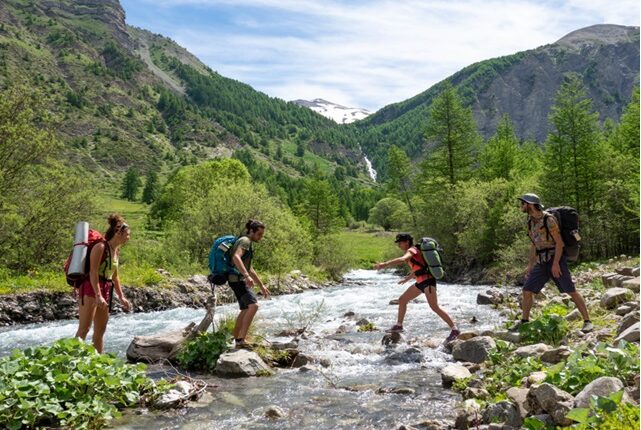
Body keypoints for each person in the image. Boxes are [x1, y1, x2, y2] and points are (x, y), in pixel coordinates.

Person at [509, 193, 593, 333]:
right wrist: (530, 265)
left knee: (571, 291)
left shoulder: (549, 220)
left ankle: (587, 321)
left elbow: (559, 243)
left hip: (556, 260)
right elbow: (534, 245)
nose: (521, 206)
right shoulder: (530, 223)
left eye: (522, 203)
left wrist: (555, 264)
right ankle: (524, 321)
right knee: (527, 290)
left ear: (529, 204)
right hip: (541, 263)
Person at [374, 233, 460, 342]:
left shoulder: (412, 250)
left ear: (406, 242)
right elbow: (419, 269)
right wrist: (407, 279)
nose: (399, 245)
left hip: (428, 281)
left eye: (400, 243)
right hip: (420, 282)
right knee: (402, 300)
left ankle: (455, 329)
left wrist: (384, 264)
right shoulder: (415, 252)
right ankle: (399, 325)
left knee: (434, 307)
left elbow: (402, 259)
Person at [75, 214, 132, 353]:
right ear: (119, 233)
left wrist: (121, 297)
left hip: (106, 289)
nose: (128, 237)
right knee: (84, 329)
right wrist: (98, 295)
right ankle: (69, 360)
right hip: (90, 288)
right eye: (127, 234)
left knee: (100, 332)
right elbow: (93, 272)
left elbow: (115, 277)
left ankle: (99, 363)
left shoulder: (116, 251)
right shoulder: (100, 247)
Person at [228, 219, 270, 348]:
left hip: (235, 279)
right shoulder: (245, 241)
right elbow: (236, 257)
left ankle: (236, 339)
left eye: (262, 235)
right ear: (251, 231)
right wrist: (246, 276)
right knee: (253, 306)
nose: (261, 237)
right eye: (259, 234)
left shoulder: (246, 242)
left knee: (246, 308)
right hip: (238, 279)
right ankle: (241, 340)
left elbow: (250, 268)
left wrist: (261, 285)